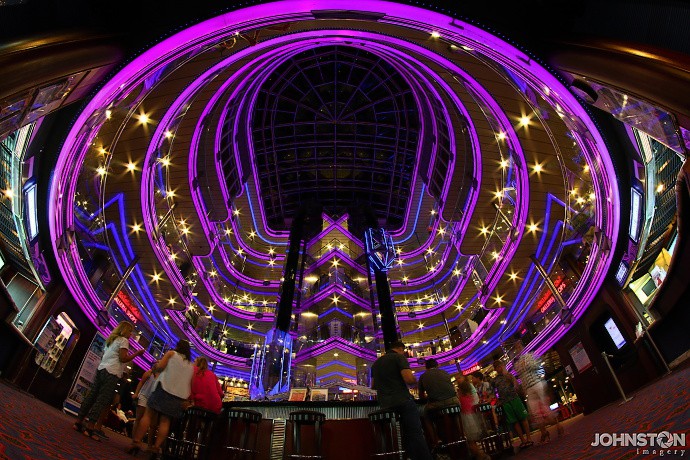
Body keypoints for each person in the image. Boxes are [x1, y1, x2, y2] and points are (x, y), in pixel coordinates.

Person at [72, 321, 145, 441]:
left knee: (92, 396)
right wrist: (137, 354)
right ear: (125, 330)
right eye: (130, 331)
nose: (131, 334)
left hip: (102, 369)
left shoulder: (111, 340)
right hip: (112, 373)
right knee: (102, 399)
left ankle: (79, 422)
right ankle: (90, 428)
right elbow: (123, 358)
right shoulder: (123, 341)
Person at [128, 340, 195, 458]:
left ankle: (136, 442)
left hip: (163, 388)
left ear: (178, 347)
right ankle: (155, 447)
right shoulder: (191, 365)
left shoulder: (171, 354)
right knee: (165, 421)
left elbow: (160, 367)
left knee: (148, 415)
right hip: (178, 396)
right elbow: (190, 383)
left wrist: (156, 367)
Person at [371, 340, 433, 460]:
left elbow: (373, 386)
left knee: (403, 435)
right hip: (401, 401)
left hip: (384, 405)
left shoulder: (376, 364)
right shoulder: (398, 357)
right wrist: (415, 379)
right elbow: (409, 379)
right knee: (415, 433)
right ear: (400, 349)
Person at [513, 349, 564, 444]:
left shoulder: (530, 356)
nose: (517, 349)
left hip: (537, 383)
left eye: (518, 346)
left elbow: (538, 366)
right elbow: (521, 378)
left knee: (545, 408)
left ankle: (558, 426)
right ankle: (544, 432)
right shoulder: (517, 364)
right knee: (535, 412)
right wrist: (524, 390)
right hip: (528, 388)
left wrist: (527, 364)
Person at [417, 358, 459, 449]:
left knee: (425, 415)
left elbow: (421, 395)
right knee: (456, 414)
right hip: (454, 400)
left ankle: (436, 441)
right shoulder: (445, 372)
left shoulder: (423, 376)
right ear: (436, 365)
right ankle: (461, 434)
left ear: (426, 367)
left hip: (437, 404)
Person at [492, 359, 533, 448]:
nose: (500, 368)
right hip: (505, 402)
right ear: (495, 369)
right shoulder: (495, 380)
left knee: (523, 418)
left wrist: (513, 385)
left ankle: (529, 438)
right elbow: (494, 392)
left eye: (500, 366)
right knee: (514, 421)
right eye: (498, 367)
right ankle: (523, 440)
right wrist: (497, 399)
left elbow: (516, 384)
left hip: (514, 398)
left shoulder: (509, 375)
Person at [457, 377, 491, 460]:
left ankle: (482, 455)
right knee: (472, 441)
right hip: (473, 418)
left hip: (467, 420)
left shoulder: (461, 399)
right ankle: (480, 455)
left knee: (470, 442)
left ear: (461, 391)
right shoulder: (470, 397)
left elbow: (461, 408)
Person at [132, 362, 161, 449]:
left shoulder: (162, 376)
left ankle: (149, 445)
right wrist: (136, 393)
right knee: (139, 418)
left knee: (153, 424)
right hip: (144, 396)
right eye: (157, 362)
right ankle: (134, 440)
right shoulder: (149, 373)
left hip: (154, 400)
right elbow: (141, 383)